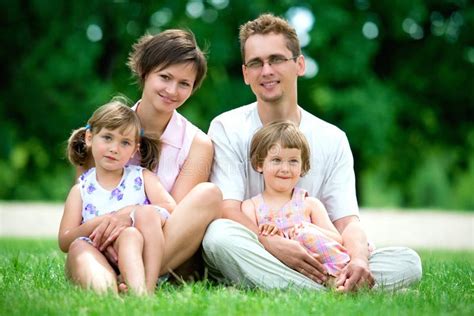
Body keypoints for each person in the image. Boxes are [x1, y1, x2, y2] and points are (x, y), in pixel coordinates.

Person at [203, 13, 422, 292]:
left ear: (300, 65)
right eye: (256, 63)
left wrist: (358, 261)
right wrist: (270, 242)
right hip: (254, 248)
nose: (266, 70)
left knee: (408, 262)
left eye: (277, 59)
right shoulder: (227, 127)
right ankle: (333, 290)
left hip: (320, 258)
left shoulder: (333, 138)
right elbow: (228, 209)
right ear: (246, 74)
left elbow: (347, 222)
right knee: (218, 237)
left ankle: (337, 282)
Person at [64, 29, 222, 293]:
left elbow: (174, 214)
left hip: (157, 247)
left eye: (184, 83)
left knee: (209, 194)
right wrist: (114, 225)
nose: (172, 90)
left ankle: (141, 280)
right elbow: (86, 200)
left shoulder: (197, 144)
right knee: (84, 257)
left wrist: (130, 215)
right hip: (101, 244)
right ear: (144, 71)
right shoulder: (104, 130)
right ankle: (110, 282)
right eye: (165, 77)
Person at [59, 99, 175, 295]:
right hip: (95, 252)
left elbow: (170, 207)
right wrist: (102, 222)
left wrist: (133, 213)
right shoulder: (81, 190)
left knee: (132, 231)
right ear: (89, 137)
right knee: (78, 247)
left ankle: (143, 291)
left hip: (135, 252)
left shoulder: (141, 177)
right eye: (107, 138)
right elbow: (65, 240)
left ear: (134, 149)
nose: (114, 148)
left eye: (125, 142)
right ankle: (109, 292)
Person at [242, 120, 350, 288]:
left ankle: (338, 280)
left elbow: (336, 239)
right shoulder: (251, 206)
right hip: (277, 269)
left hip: (319, 267)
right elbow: (249, 244)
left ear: (303, 166)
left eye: (293, 161)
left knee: (305, 233)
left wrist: (303, 229)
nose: (285, 168)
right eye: (276, 160)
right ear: (259, 164)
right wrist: (267, 233)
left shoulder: (309, 204)